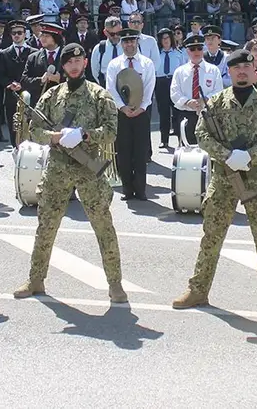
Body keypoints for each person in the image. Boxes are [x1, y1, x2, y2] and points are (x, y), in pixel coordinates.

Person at [172, 50, 257, 313]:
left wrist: (249, 155)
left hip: (256, 179)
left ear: (255, 72)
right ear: (230, 72)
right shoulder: (215, 103)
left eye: (247, 67)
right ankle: (197, 290)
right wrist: (227, 156)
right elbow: (201, 134)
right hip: (224, 178)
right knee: (212, 235)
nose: (242, 71)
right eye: (237, 68)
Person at [13, 43, 127, 303]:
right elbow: (33, 130)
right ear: (63, 66)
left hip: (89, 169)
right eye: (69, 62)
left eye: (78, 61)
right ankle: (36, 279)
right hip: (57, 169)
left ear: (85, 63)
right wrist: (54, 137)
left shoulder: (100, 96)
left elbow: (111, 131)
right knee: (46, 225)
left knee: (103, 226)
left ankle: (115, 284)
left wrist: (86, 134)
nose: (74, 65)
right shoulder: (52, 96)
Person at [106, 28, 155, 201]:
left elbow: (149, 87)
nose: (129, 44)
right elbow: (110, 89)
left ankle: (141, 190)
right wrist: (122, 108)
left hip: (141, 113)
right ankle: (127, 189)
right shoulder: (114, 65)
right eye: (126, 41)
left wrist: (141, 107)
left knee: (140, 152)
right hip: (122, 114)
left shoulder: (147, 63)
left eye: (132, 41)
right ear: (121, 44)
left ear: (137, 42)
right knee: (124, 151)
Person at [169, 33, 224, 146]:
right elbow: (174, 93)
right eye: (192, 49)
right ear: (187, 51)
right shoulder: (180, 71)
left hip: (208, 116)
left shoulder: (213, 70)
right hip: (186, 115)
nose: (196, 52)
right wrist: (188, 102)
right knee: (187, 152)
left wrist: (204, 100)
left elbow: (219, 91)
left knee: (209, 151)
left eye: (199, 48)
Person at [0, 20, 34, 144]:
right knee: (14, 126)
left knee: (30, 125)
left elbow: (35, 74)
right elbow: (1, 76)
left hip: (29, 94)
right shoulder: (4, 53)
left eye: (19, 33)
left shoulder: (34, 52)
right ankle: (15, 150)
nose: (16, 35)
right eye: (14, 33)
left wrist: (23, 84)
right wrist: (10, 84)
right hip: (12, 95)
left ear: (25, 34)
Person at [154, 28, 184, 149]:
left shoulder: (179, 53)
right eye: (163, 38)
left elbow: (183, 70)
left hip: (174, 82)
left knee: (177, 112)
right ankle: (164, 140)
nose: (165, 41)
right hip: (161, 83)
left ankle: (180, 140)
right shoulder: (156, 54)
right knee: (163, 113)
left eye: (167, 38)